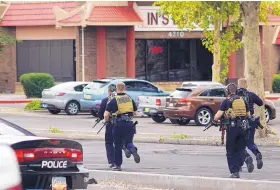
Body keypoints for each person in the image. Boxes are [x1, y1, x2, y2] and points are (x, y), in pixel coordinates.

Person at [212, 83, 250, 178]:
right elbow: (248, 115)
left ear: (228, 91)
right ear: (236, 90)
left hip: (232, 128)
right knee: (241, 149)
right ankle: (241, 163)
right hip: (244, 128)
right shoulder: (243, 100)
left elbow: (217, 116)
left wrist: (214, 121)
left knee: (230, 151)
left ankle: (234, 172)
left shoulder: (226, 101)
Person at [104, 82, 140, 171]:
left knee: (117, 145)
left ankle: (118, 165)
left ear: (116, 88)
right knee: (128, 142)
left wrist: (108, 121)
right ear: (124, 88)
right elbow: (135, 112)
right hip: (129, 124)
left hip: (118, 125)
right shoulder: (129, 99)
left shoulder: (114, 100)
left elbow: (106, 115)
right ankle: (132, 149)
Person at [237, 78, 264, 172]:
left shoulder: (234, 96)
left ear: (238, 85)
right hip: (251, 122)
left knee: (238, 145)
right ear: (246, 85)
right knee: (250, 142)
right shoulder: (250, 94)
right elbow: (260, 103)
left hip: (238, 123)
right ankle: (257, 154)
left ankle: (247, 159)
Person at [97, 84, 117, 168]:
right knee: (118, 143)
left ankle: (111, 161)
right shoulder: (119, 99)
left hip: (110, 124)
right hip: (120, 123)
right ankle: (118, 161)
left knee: (109, 143)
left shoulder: (105, 100)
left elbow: (101, 114)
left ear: (108, 91)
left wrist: (99, 118)